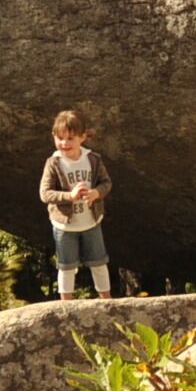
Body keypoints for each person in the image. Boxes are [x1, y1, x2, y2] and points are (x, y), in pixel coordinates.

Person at [39, 109, 114, 300]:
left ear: (82, 137)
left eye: (70, 138)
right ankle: (67, 305)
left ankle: (107, 300)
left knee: (99, 263)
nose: (64, 143)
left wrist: (96, 193)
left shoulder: (93, 159)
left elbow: (106, 183)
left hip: (91, 221)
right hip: (65, 225)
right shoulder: (53, 163)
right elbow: (45, 193)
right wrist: (69, 196)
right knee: (66, 266)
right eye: (60, 138)